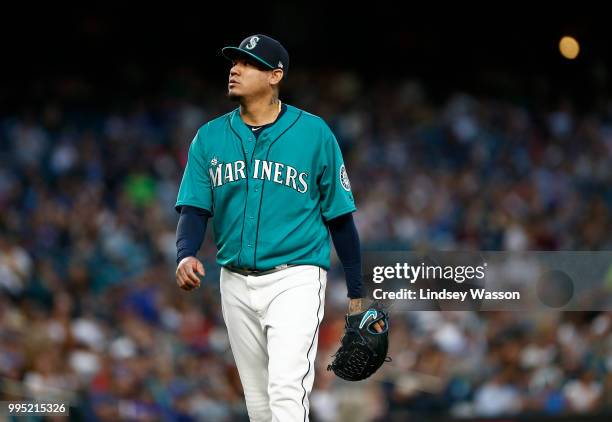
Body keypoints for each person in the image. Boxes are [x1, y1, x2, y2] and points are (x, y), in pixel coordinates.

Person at [174, 34, 383, 421]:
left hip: (296, 277)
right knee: (259, 405)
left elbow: (340, 219)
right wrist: (185, 254)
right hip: (234, 279)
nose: (235, 69)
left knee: (286, 394)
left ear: (275, 75)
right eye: (234, 63)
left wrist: (357, 295)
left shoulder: (314, 133)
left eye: (248, 64)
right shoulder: (210, 137)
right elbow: (194, 209)